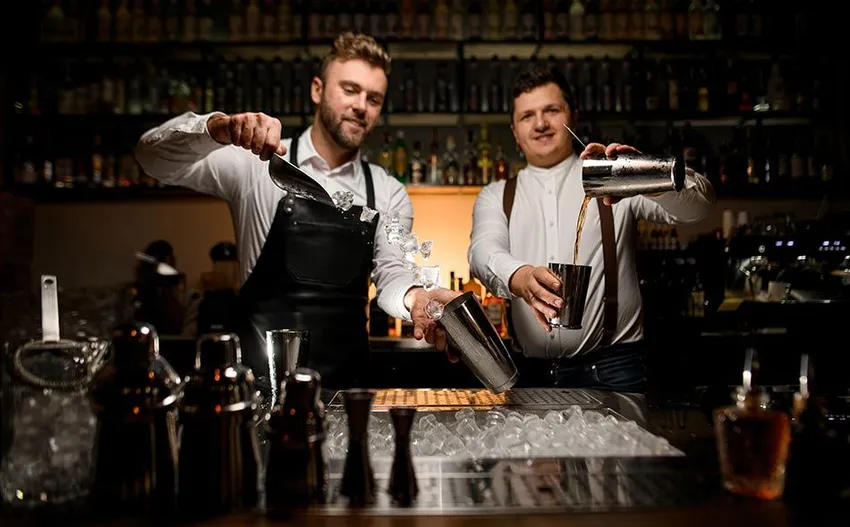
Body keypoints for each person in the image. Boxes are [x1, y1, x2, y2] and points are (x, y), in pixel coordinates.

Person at [135, 32, 459, 390]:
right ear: (317, 90)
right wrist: (217, 129)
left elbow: (392, 273)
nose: (360, 106)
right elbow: (151, 158)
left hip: (346, 394)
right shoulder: (258, 163)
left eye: (373, 98)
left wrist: (415, 297)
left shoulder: (386, 190)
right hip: (262, 393)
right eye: (350, 90)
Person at [468, 65, 716, 393]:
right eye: (527, 116)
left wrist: (644, 173)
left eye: (551, 110)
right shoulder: (497, 194)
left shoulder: (613, 176)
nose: (540, 124)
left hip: (614, 371)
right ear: (515, 131)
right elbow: (482, 253)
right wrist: (520, 277)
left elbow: (702, 205)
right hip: (531, 375)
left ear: (573, 116)